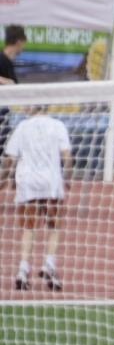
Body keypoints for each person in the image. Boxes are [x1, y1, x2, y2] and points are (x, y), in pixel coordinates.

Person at [3, 107, 72, 291]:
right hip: (51, 182)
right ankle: (49, 265)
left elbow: (10, 157)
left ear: (31, 107)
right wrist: (68, 178)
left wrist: (5, 177)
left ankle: (23, 270)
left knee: (28, 228)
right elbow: (67, 155)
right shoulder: (58, 125)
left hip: (27, 183)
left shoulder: (22, 127)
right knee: (54, 227)